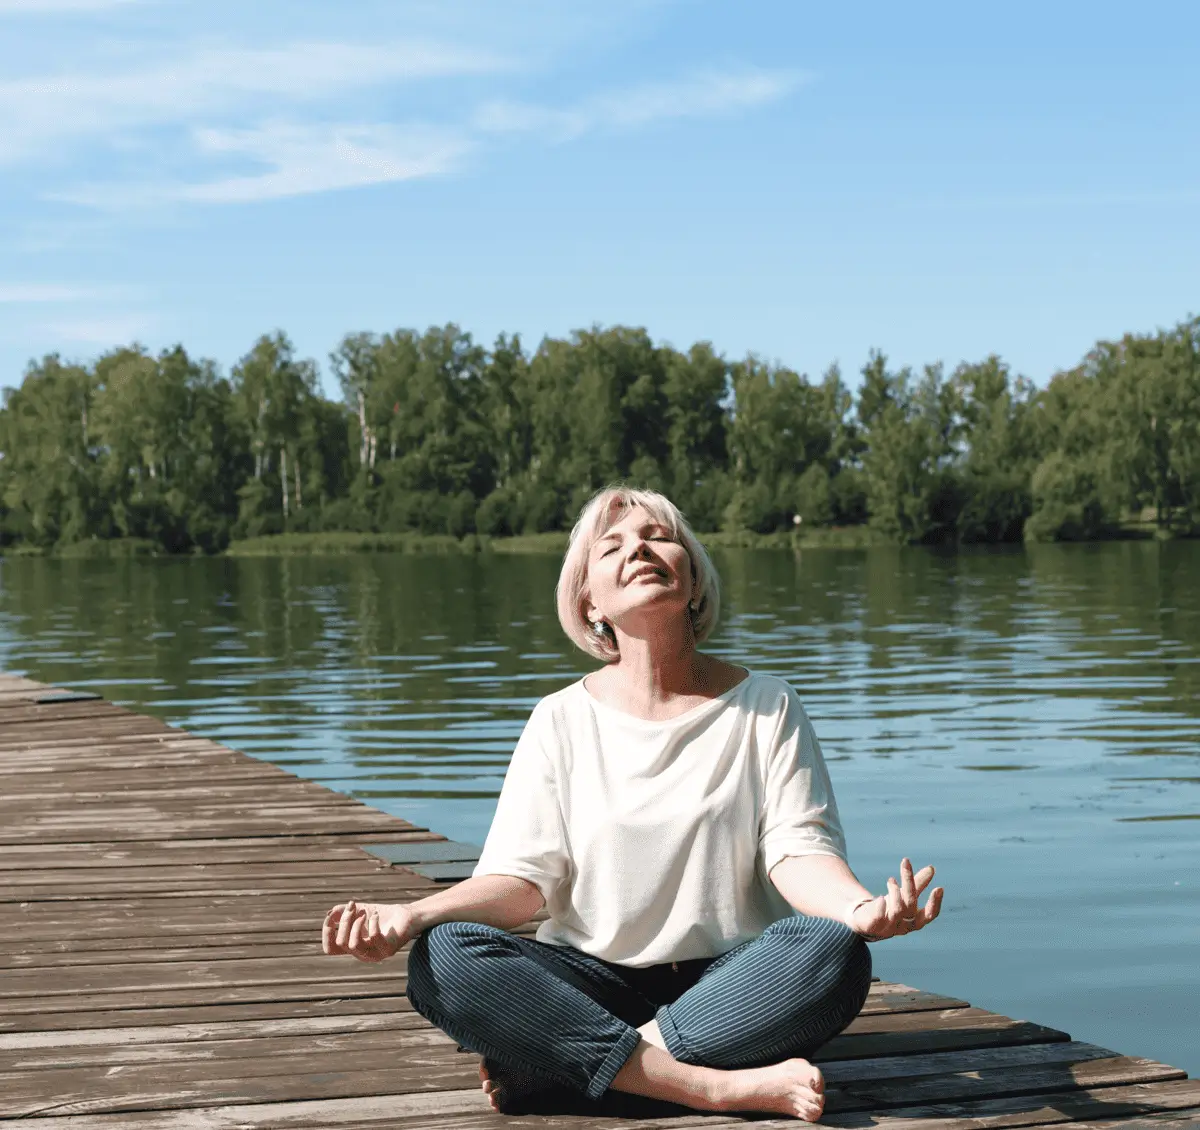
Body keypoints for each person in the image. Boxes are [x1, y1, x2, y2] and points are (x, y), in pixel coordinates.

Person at [322, 486, 943, 1121]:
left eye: (658, 538)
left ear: (693, 581)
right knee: (444, 956)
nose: (639, 550)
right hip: (588, 984)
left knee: (832, 951)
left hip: (731, 986)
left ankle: (568, 1069)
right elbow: (522, 883)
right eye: (612, 546)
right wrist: (411, 914)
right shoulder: (559, 720)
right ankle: (713, 1087)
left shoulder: (767, 705)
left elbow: (797, 851)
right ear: (588, 601)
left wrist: (859, 909)